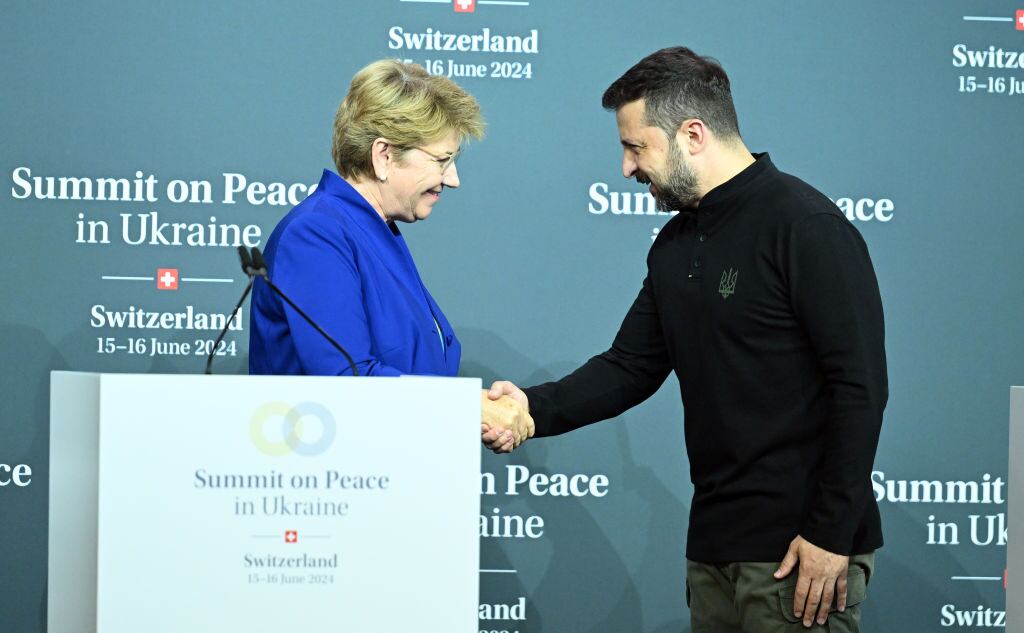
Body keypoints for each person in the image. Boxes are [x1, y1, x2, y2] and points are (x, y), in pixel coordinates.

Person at [481, 46, 886, 632]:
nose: (626, 168)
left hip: (800, 552)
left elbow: (860, 388)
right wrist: (528, 409)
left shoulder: (806, 227)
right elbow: (629, 367)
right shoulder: (673, 244)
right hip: (713, 549)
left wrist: (830, 531)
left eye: (635, 146)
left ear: (692, 134)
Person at [249, 59, 531, 431]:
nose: (453, 179)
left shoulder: (374, 229)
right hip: (334, 479)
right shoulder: (317, 234)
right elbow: (345, 381)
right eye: (443, 160)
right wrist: (467, 408)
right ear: (384, 156)